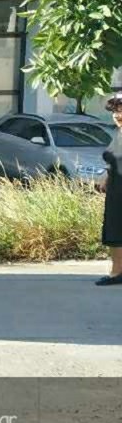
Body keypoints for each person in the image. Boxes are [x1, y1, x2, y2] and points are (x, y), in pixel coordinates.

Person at [98, 95, 122, 286]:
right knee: (114, 230)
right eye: (115, 111)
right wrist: (105, 178)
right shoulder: (119, 133)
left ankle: (117, 272)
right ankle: (117, 271)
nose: (117, 115)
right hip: (116, 187)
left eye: (121, 111)